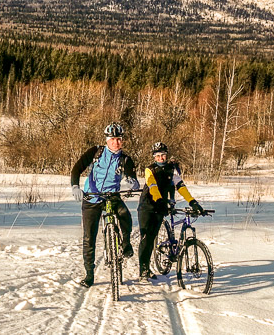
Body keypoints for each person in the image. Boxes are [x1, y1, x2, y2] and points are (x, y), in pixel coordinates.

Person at [70, 122, 140, 288]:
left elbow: (132, 177)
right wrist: (75, 186)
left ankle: (126, 244)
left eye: (119, 139)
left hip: (111, 196)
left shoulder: (125, 159)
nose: (116, 142)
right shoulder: (96, 152)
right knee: (89, 237)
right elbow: (77, 168)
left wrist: (132, 183)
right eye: (113, 139)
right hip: (92, 197)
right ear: (107, 140)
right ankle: (89, 274)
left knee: (125, 216)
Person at [137, 142, 205, 280]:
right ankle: (143, 268)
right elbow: (153, 186)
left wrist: (193, 202)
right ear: (154, 157)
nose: (161, 158)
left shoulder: (171, 169)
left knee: (153, 235)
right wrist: (160, 200)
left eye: (163, 155)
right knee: (147, 238)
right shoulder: (149, 169)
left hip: (161, 205)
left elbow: (180, 186)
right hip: (148, 205)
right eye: (157, 156)